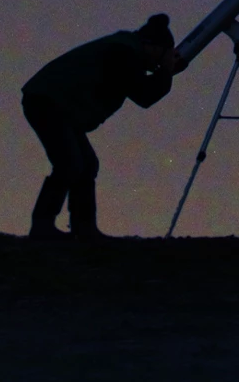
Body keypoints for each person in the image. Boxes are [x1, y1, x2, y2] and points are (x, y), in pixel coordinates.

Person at [21, 14, 185, 239]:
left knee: (86, 164)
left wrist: (165, 73)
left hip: (57, 103)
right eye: (162, 55)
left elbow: (138, 86)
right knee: (70, 163)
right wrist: (166, 72)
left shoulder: (125, 49)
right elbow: (144, 95)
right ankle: (43, 226)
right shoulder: (125, 53)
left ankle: (83, 228)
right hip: (50, 103)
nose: (158, 62)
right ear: (153, 46)